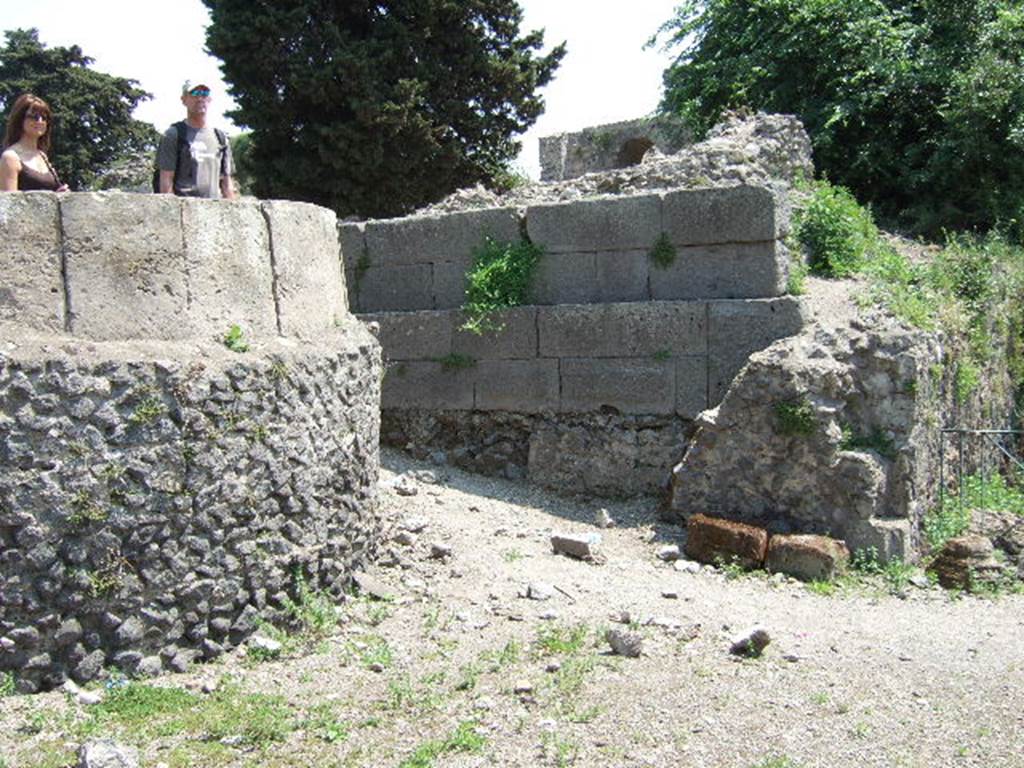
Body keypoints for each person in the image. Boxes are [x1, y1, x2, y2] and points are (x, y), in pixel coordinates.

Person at [157, 81, 235, 199]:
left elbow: (227, 182)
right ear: (184, 100)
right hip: (185, 210)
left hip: (214, 210)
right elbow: (166, 182)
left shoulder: (220, 137)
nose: (200, 98)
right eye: (194, 93)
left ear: (209, 99)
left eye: (204, 93)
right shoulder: (173, 135)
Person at [0, 93, 69, 192]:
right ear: (20, 119)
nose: (40, 121)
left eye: (44, 118)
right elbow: (9, 203)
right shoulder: (10, 158)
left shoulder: (42, 156)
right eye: (34, 116)